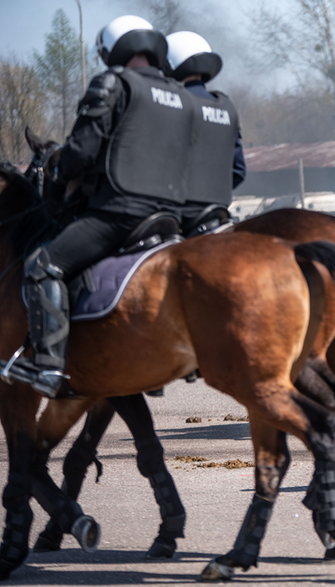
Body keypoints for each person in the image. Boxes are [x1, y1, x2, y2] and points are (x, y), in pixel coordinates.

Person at [6, 15, 196, 398]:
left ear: (112, 49)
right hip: (170, 216)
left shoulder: (113, 83)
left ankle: (47, 365)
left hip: (119, 212)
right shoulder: (181, 95)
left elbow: (81, 152)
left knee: (42, 265)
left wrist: (58, 165)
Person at [165, 30, 245, 232]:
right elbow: (239, 171)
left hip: (178, 213)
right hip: (218, 211)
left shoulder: (173, 104)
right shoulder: (226, 106)